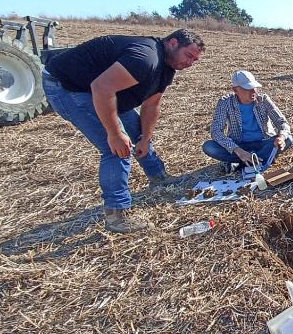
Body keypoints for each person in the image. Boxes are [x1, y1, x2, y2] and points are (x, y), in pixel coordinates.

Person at [42, 29, 205, 233]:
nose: (190, 63)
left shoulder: (167, 67)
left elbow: (152, 105)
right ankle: (117, 216)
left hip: (106, 90)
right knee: (117, 149)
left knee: (138, 132)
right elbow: (101, 88)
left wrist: (146, 137)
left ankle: (159, 179)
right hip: (69, 87)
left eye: (194, 60)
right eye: (188, 56)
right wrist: (115, 133)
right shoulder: (146, 58)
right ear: (173, 43)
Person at [202, 70, 293, 173]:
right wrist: (238, 150)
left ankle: (246, 163)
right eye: (247, 89)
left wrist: (281, 137)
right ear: (235, 90)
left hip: (263, 143)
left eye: (254, 87)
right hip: (239, 145)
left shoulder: (263, 100)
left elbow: (282, 122)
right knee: (209, 147)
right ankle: (255, 159)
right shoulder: (225, 103)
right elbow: (216, 131)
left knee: (288, 139)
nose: (253, 91)